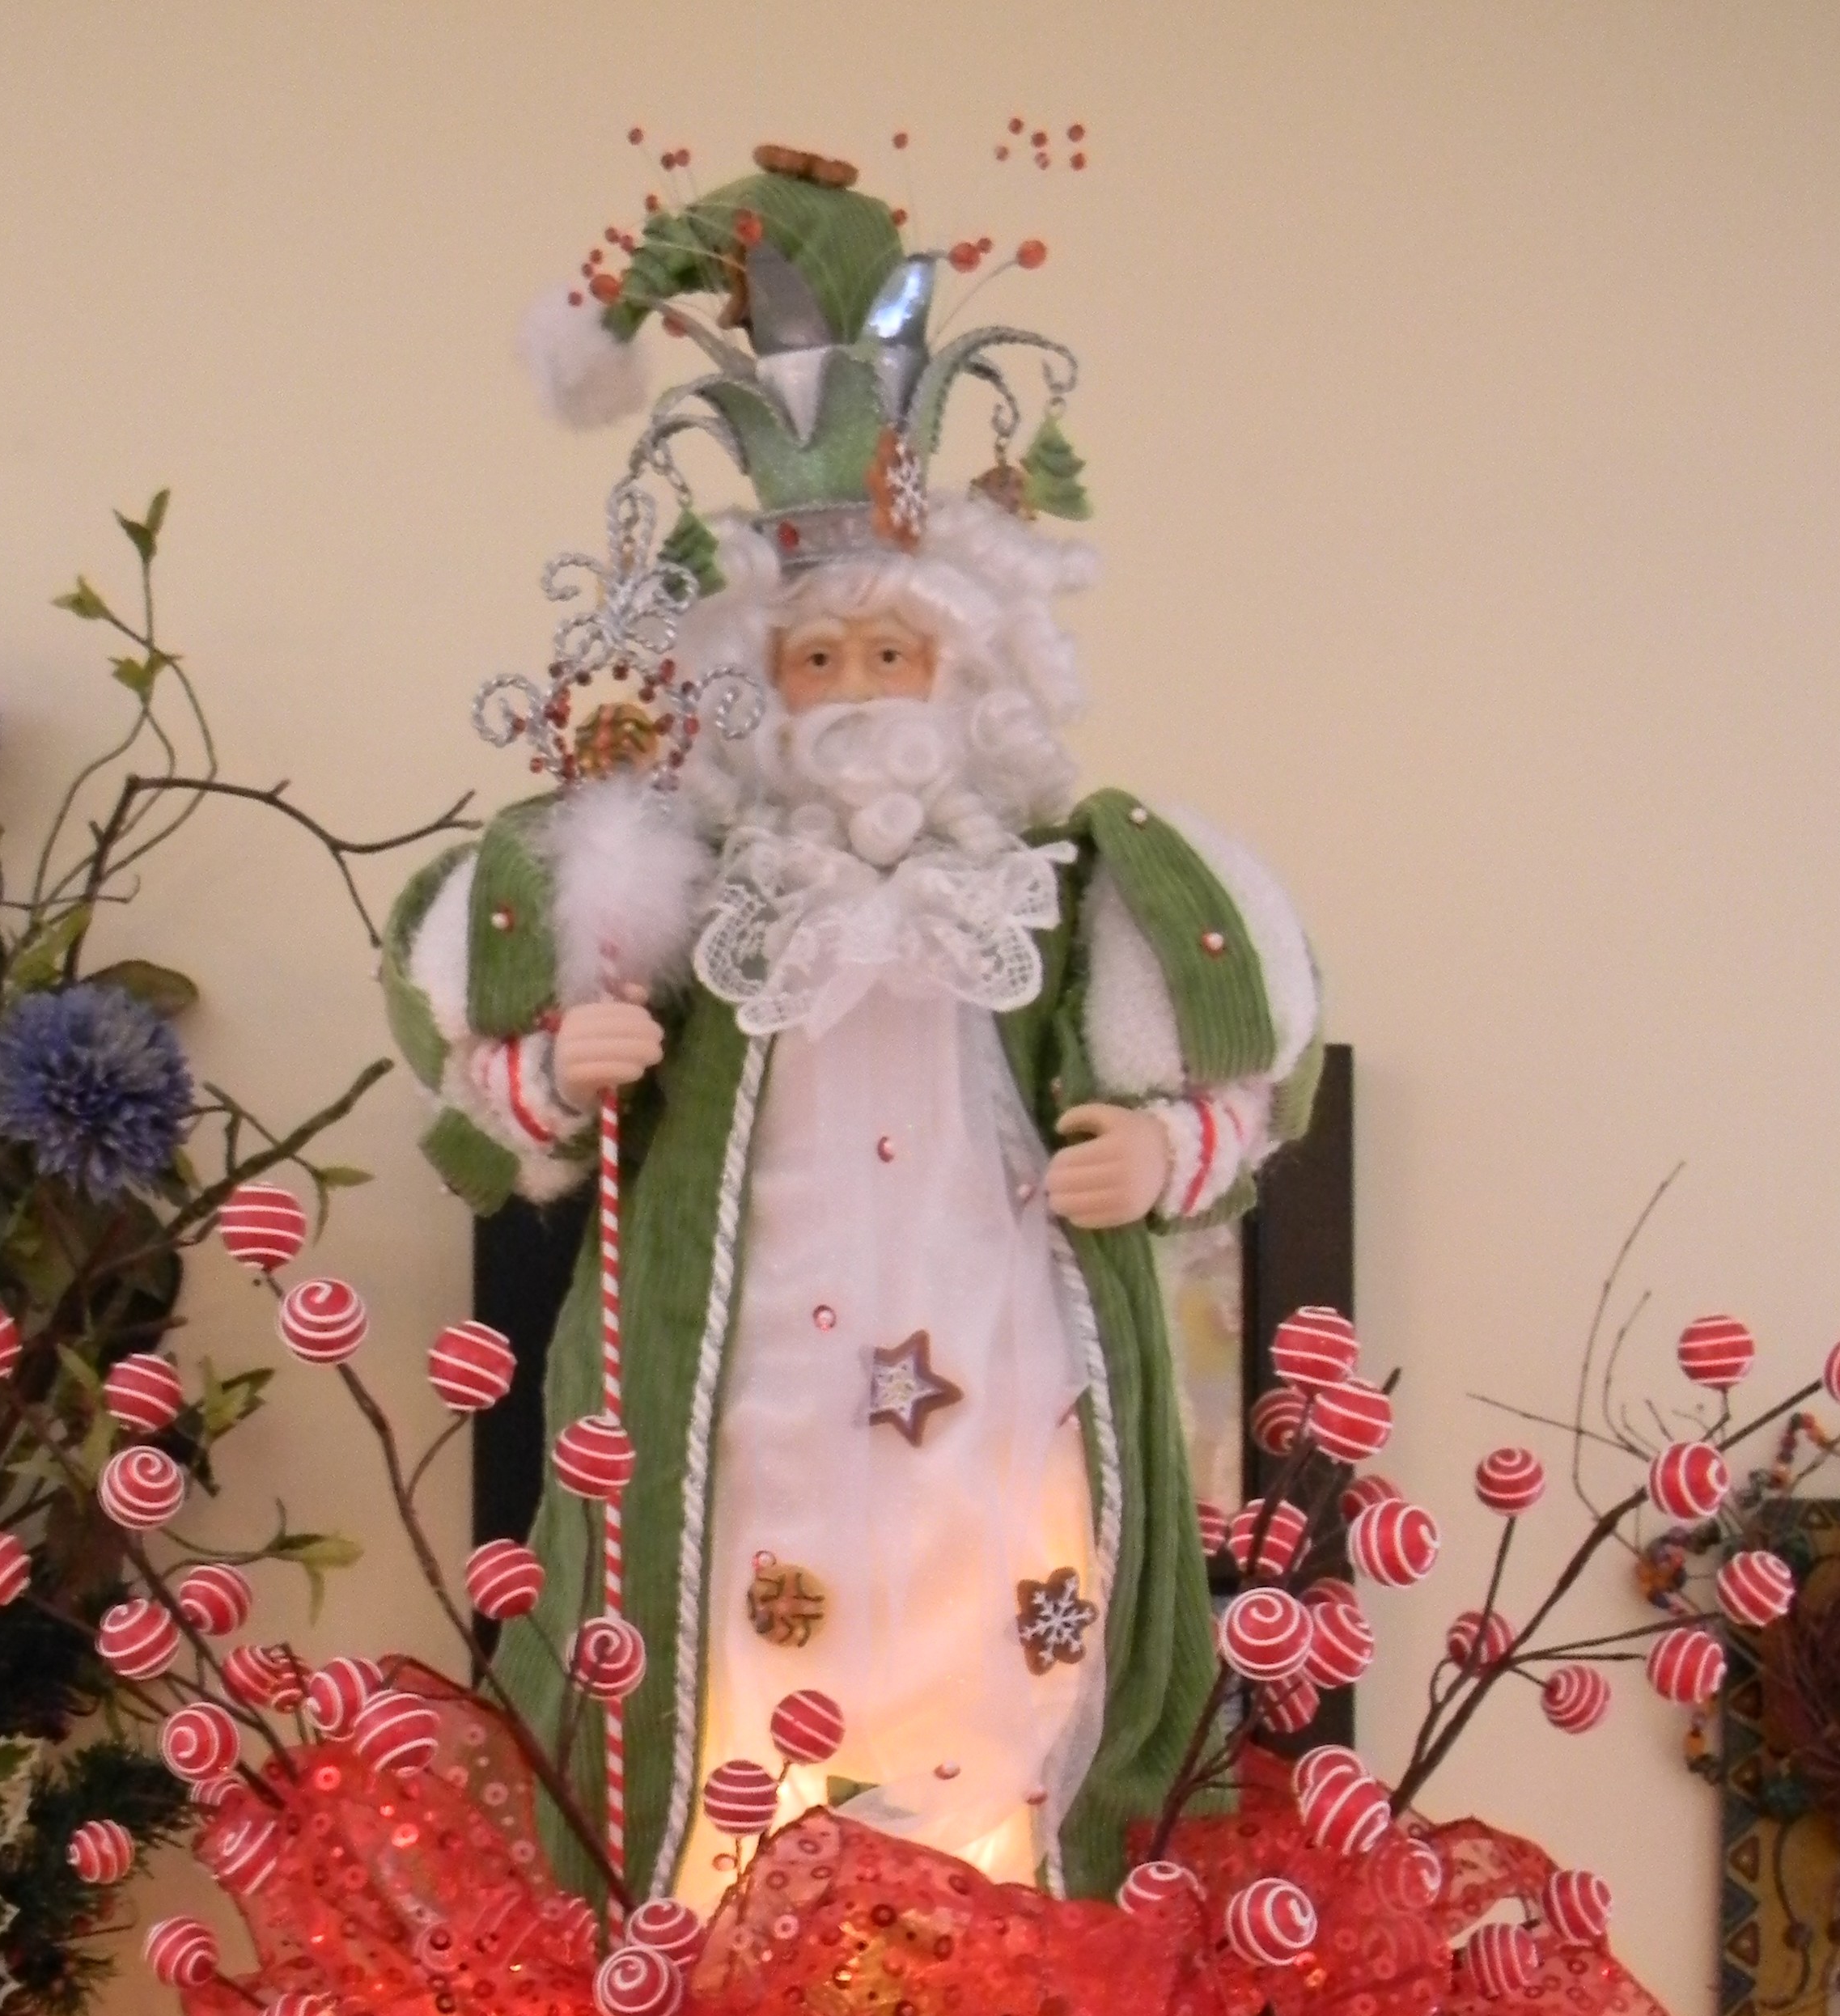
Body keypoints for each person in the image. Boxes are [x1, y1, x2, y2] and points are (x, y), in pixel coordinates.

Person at [384, 150, 1322, 1902]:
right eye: (820, 665)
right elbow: (475, 1072)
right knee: (724, 1638)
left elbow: (1253, 1078)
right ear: (760, 687)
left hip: (1013, 1378)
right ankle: (723, 1925)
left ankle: (1016, 1938)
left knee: (1024, 1648)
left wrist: (1166, 1146)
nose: (862, 698)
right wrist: (556, 1068)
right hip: (745, 1391)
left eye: (898, 658)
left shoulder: (1073, 881)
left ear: (974, 678)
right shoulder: (665, 880)